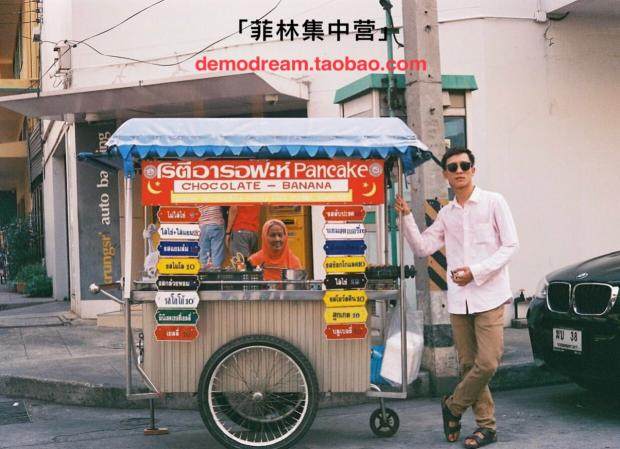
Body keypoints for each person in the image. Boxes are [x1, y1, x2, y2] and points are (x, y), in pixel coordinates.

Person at [394, 148, 518, 449]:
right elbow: (423, 248)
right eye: (453, 167)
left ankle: (453, 406)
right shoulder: (446, 214)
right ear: (446, 175)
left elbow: (510, 245)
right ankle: (486, 427)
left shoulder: (494, 202)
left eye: (465, 165)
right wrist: (407, 216)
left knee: (487, 363)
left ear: (473, 169)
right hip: (460, 300)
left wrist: (476, 272)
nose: (459, 171)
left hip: (489, 295)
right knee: (468, 365)